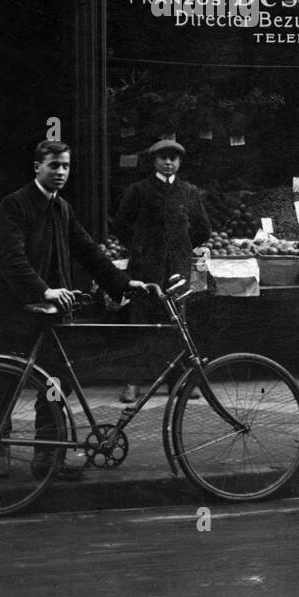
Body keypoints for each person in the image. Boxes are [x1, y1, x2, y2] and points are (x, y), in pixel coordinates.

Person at [0, 139, 149, 479]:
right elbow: (12, 259)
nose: (60, 172)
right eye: (53, 165)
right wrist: (44, 289)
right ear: (37, 167)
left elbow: (88, 251)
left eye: (66, 166)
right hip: (12, 312)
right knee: (4, 384)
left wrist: (123, 283)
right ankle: (0, 445)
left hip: (51, 316)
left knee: (57, 383)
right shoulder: (14, 205)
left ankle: (47, 457)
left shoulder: (62, 208)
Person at [113, 139, 211, 404]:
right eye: (163, 158)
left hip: (177, 270)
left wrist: (181, 247)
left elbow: (203, 229)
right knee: (140, 325)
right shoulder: (139, 190)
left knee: (178, 324)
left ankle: (180, 382)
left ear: (180, 162)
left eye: (174, 158)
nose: (169, 163)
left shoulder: (189, 192)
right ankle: (133, 382)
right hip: (144, 270)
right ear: (154, 161)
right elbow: (121, 225)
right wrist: (140, 248)